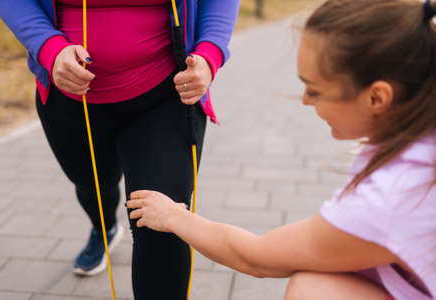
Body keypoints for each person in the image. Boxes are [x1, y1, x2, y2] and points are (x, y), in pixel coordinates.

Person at [126, 0, 436, 299]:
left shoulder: (396, 197)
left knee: (313, 291)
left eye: (314, 89)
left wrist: (174, 217)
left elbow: (258, 257)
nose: (305, 101)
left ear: (377, 98)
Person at [0, 0, 239, 299]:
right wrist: (48, 46)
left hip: (165, 93)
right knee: (94, 186)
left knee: (162, 225)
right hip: (70, 99)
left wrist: (209, 53)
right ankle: (104, 227)